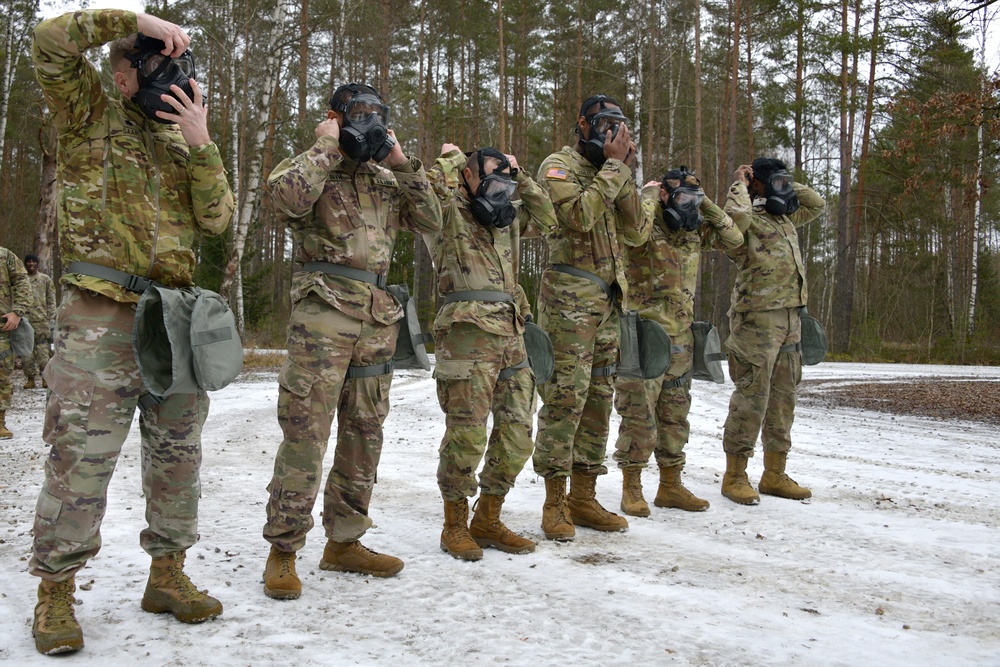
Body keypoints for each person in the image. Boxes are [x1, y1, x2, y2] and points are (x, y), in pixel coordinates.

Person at [29, 10, 235, 655]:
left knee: (178, 457)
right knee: (81, 460)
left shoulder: (183, 141)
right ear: (122, 78)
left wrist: (202, 143)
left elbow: (219, 220)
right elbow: (49, 41)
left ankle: (167, 576)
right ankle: (56, 591)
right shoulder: (88, 113)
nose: (177, 84)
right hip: (100, 312)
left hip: (173, 318)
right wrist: (138, 18)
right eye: (159, 69)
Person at [261, 83, 442, 599]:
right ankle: (283, 551)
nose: (368, 123)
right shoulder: (311, 167)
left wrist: (404, 163)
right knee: (306, 433)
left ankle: (344, 542)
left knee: (365, 432)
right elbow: (286, 201)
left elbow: (434, 222)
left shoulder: (385, 180)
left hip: (377, 320)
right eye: (357, 115)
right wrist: (326, 146)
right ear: (334, 117)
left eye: (376, 115)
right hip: (323, 318)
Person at [424, 144, 556, 560]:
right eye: (489, 177)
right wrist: (450, 159)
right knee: (466, 436)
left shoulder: (506, 219)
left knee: (518, 434)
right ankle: (455, 526)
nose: (498, 187)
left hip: (511, 334)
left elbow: (550, 220)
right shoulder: (447, 212)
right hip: (467, 336)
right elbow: (423, 192)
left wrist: (523, 176)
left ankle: (489, 517)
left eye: (505, 180)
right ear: (466, 176)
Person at [533, 94, 649, 540]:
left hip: (608, 302)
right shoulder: (557, 167)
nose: (610, 134)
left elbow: (637, 233)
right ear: (581, 125)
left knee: (599, 400)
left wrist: (626, 175)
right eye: (602, 124)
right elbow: (578, 218)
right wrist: (614, 170)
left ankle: (583, 497)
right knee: (565, 399)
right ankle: (554, 502)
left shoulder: (614, 173)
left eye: (617, 126)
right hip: (569, 301)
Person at [613, 168, 743, 515]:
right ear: (667, 197)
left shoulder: (693, 233)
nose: (690, 207)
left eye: (694, 200)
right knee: (638, 414)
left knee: (675, 415)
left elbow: (735, 239)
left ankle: (670, 485)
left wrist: (707, 204)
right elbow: (633, 232)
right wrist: (651, 195)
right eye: (684, 198)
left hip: (681, 337)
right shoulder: (645, 226)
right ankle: (632, 487)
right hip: (644, 335)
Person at [720, 158, 826, 505]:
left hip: (791, 319)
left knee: (783, 398)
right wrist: (742, 184)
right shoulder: (748, 219)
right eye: (774, 182)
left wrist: (785, 184)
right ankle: (735, 475)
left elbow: (818, 204)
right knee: (752, 397)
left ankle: (774, 473)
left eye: (786, 181)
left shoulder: (786, 219)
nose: (783, 187)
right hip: (756, 320)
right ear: (758, 186)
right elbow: (730, 223)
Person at [0, 247, 33, 439]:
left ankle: (0, 422)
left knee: (2, 376)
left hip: (2, 328)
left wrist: (17, 312)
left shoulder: (4, 256)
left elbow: (22, 281)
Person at [21, 254, 57, 390]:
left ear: (37, 264)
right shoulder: (21, 279)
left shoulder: (45, 279)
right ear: (25, 264)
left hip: (41, 320)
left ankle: (45, 378)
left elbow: (51, 298)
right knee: (26, 351)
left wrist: (51, 315)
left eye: (33, 261)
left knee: (43, 350)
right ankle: (30, 378)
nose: (31, 264)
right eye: (28, 262)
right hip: (24, 320)